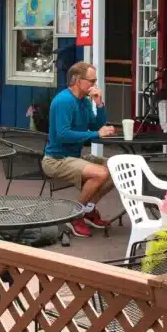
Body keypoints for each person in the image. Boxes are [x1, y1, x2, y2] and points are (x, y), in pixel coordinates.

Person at [40, 61, 117, 238]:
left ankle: (88, 210)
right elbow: (63, 134)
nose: (94, 85)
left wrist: (99, 104)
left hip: (74, 157)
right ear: (77, 80)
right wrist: (95, 133)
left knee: (116, 169)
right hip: (56, 159)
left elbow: (96, 125)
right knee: (100, 173)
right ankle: (74, 215)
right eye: (91, 81)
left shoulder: (83, 100)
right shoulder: (64, 101)